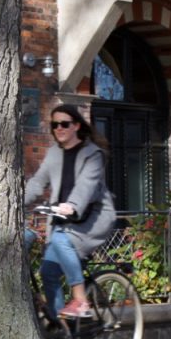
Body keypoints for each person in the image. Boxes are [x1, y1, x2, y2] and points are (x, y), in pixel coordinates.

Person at [24, 104, 116, 319]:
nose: (59, 128)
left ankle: (81, 300)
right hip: (63, 221)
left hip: (91, 219)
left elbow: (87, 185)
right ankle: (62, 328)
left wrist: (72, 205)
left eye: (64, 124)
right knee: (48, 273)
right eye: (55, 125)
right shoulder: (54, 153)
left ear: (76, 126)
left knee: (59, 239)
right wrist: (17, 202)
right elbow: (38, 181)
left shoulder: (93, 154)